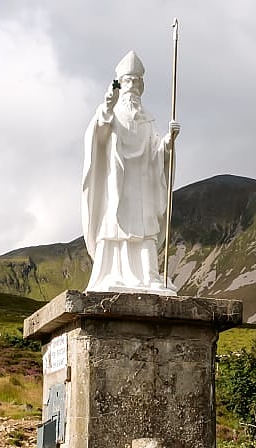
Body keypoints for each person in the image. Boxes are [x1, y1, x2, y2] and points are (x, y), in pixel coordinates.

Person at [81, 51, 179, 293]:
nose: (133, 86)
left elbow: (158, 153)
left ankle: (149, 276)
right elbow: (99, 133)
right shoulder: (112, 113)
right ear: (120, 84)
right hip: (118, 183)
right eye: (129, 82)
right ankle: (112, 273)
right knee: (114, 225)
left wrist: (169, 141)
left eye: (137, 82)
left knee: (146, 229)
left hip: (143, 183)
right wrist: (107, 105)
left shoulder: (148, 120)